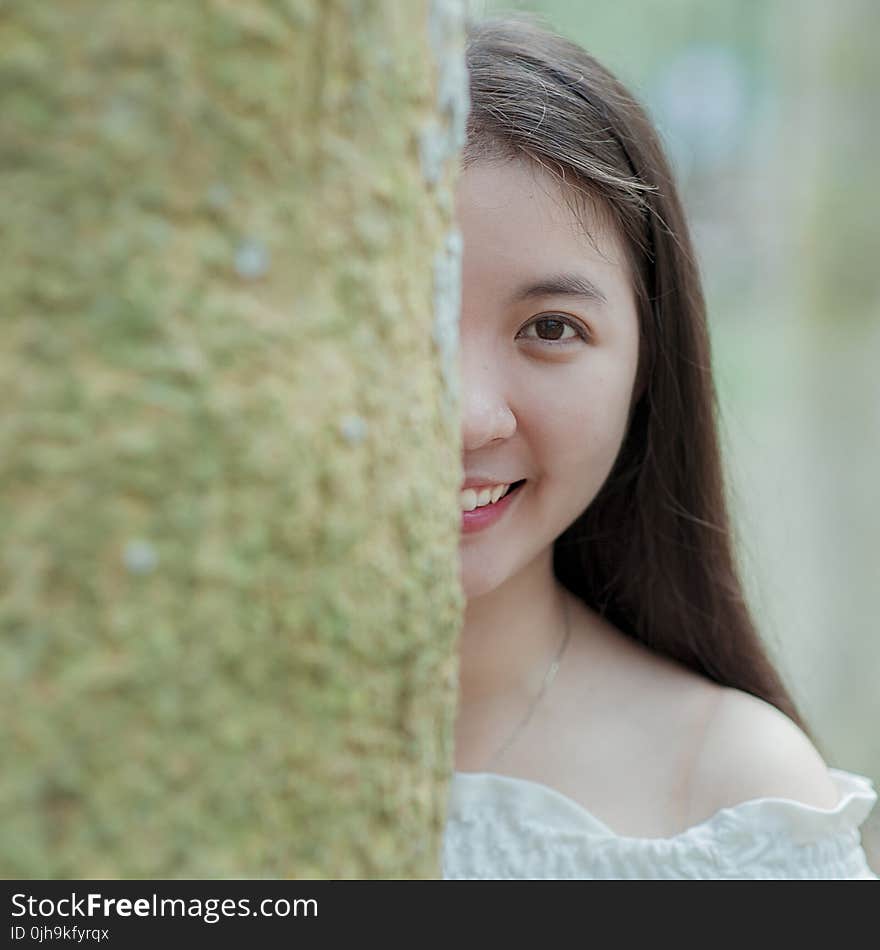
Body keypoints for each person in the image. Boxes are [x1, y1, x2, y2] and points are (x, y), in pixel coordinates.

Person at [441, 13, 877, 880]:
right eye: (403, 322)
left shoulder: (734, 802)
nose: (467, 416)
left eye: (551, 328)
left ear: (648, 362)